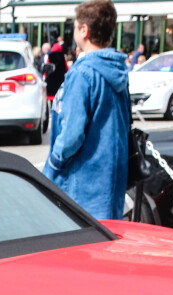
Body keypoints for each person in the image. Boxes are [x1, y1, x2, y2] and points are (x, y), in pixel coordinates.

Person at [42, 0, 129, 221]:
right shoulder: (118, 71)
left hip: (83, 182)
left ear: (84, 30)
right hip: (111, 180)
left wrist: (52, 166)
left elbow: (72, 133)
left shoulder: (83, 74)